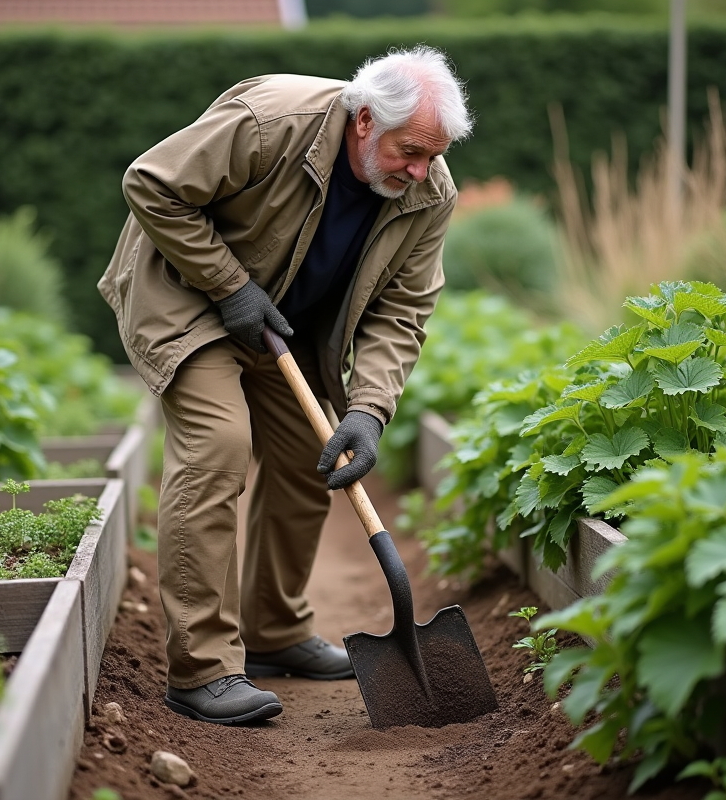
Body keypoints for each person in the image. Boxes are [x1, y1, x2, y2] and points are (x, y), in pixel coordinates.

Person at [98, 45, 473, 725]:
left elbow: (404, 309)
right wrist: (231, 286)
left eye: (432, 155)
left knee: (316, 452)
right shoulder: (270, 122)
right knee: (218, 443)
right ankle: (202, 669)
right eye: (408, 151)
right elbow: (151, 182)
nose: (420, 170)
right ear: (364, 121)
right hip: (187, 295)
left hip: (282, 323)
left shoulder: (428, 191)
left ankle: (275, 630)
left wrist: (368, 411)